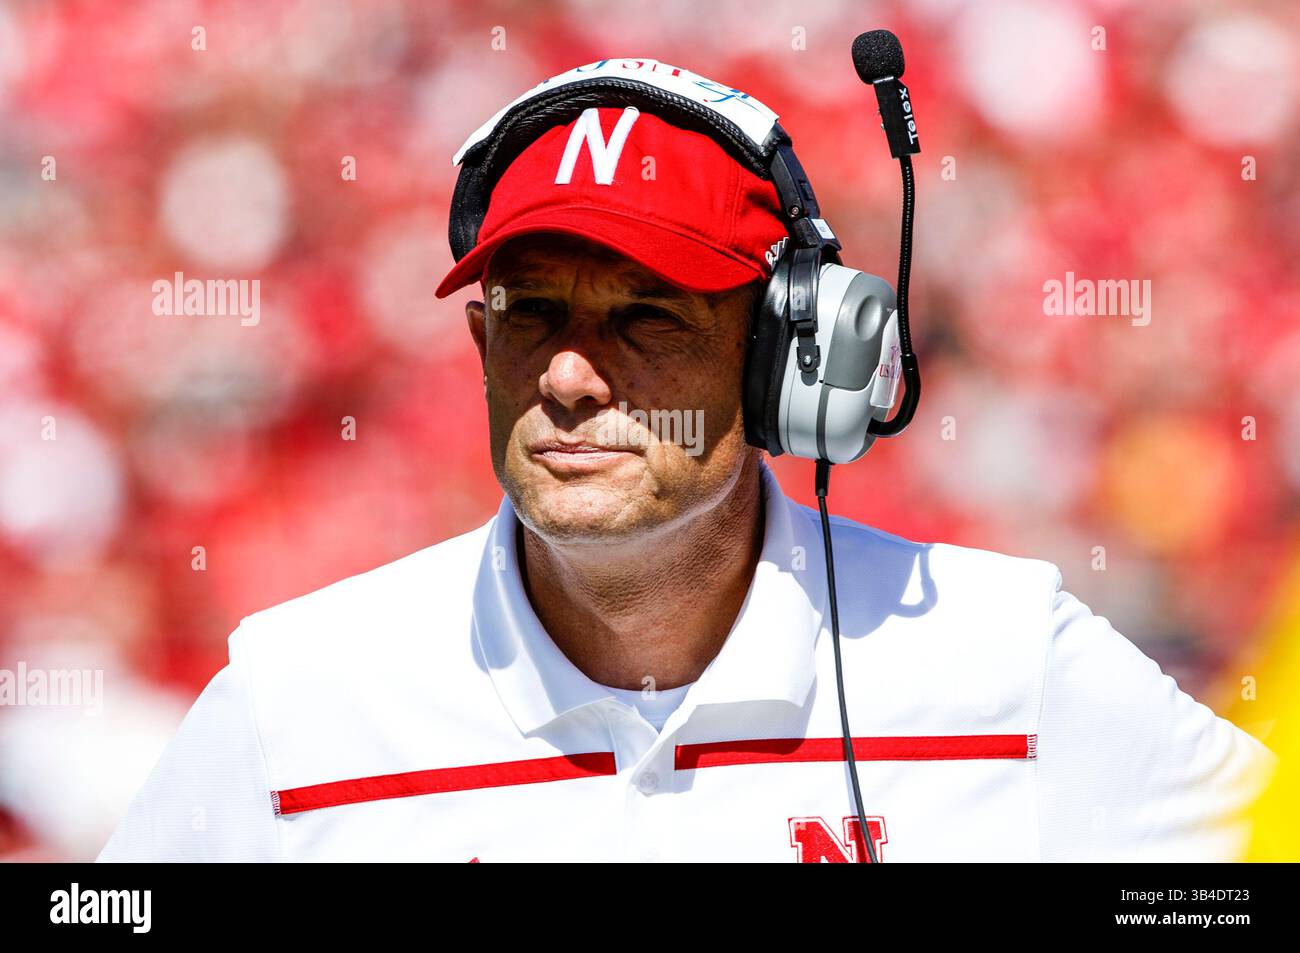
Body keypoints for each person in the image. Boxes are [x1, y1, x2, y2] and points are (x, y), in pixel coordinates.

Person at [98, 58, 1274, 863]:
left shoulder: (1004, 657)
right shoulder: (297, 694)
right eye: (530, 314)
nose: (568, 375)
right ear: (478, 340)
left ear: (784, 357)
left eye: (645, 318)